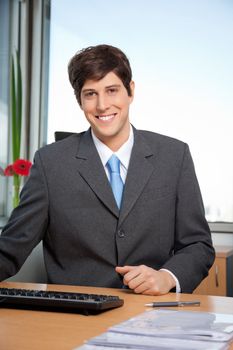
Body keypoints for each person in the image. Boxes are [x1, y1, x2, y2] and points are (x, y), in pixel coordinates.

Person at [0, 44, 215, 295]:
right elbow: (11, 247)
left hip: (152, 314)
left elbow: (198, 245)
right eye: (90, 94)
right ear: (79, 100)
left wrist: (167, 277)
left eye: (112, 90)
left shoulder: (174, 156)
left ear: (130, 91)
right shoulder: (51, 164)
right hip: (73, 317)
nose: (102, 105)